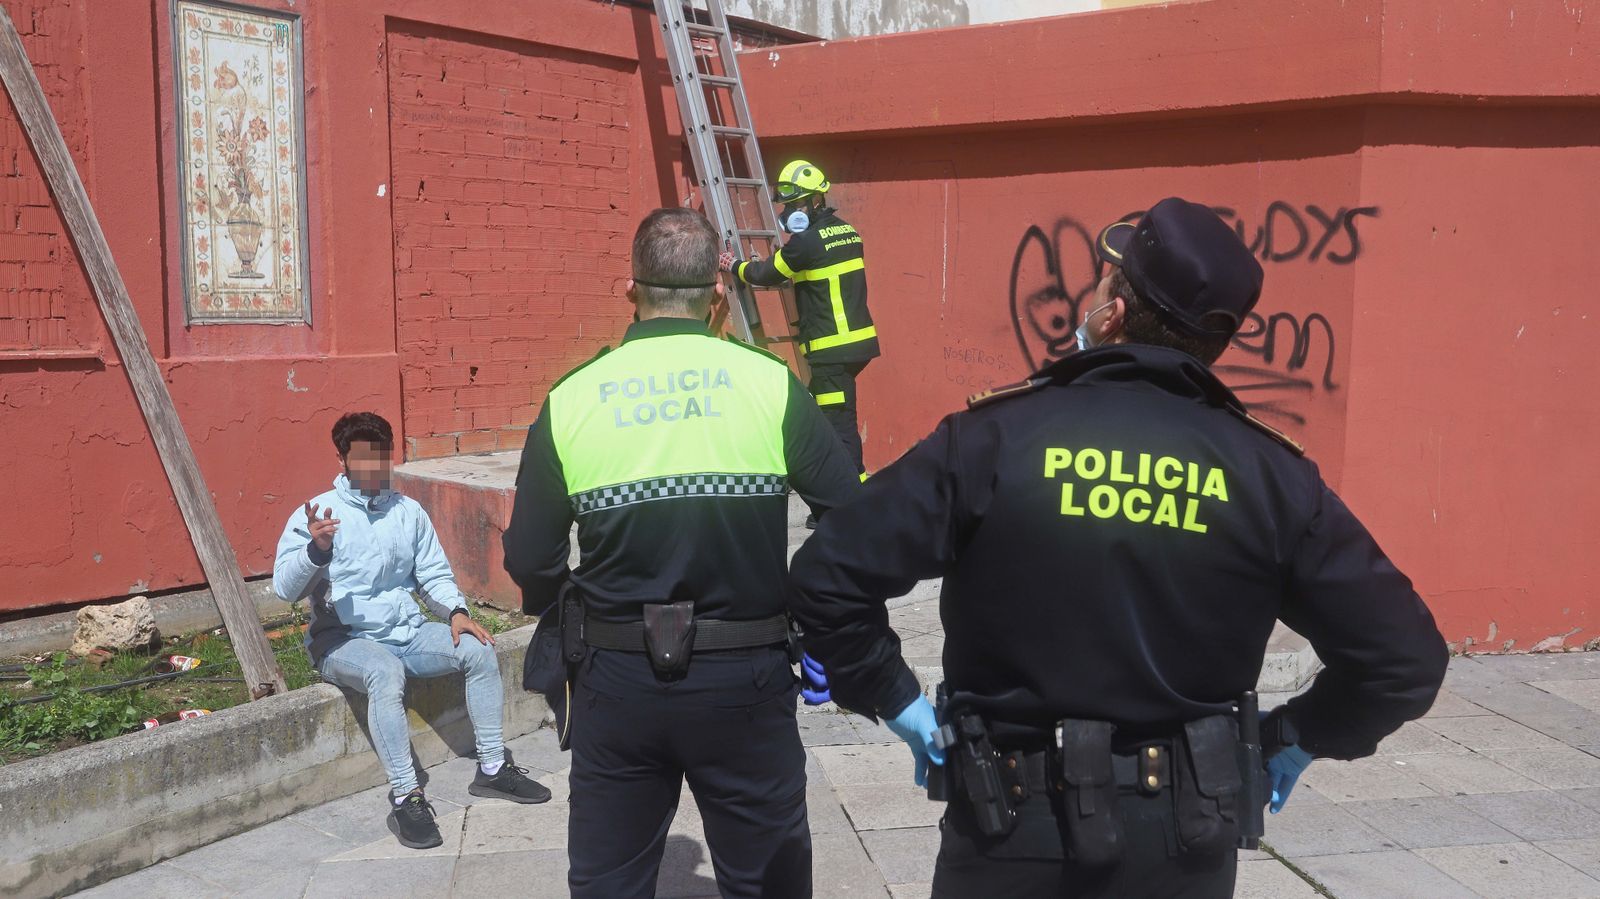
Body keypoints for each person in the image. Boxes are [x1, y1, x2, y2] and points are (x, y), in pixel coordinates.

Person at [787, 197, 1449, 897]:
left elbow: (827, 576)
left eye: (1104, 279)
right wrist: (1296, 734)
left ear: (1113, 312)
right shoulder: (1272, 476)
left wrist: (899, 701)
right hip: (1183, 836)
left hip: (1008, 823)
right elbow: (1404, 658)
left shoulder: (993, 439)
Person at [503, 207, 860, 898]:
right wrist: (815, 615)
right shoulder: (768, 383)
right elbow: (851, 518)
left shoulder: (573, 399)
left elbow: (528, 557)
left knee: (609, 882)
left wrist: (572, 612)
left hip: (617, 678)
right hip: (748, 678)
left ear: (629, 291)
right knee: (769, 881)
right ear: (717, 294)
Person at [273, 412, 550, 851]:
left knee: (478, 650)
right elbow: (285, 589)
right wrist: (316, 549)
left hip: (408, 632)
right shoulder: (319, 514)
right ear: (342, 458)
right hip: (343, 641)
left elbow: (433, 573)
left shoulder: (408, 511)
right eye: (360, 458)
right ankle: (407, 795)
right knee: (384, 673)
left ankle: (494, 770)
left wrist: (456, 611)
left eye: (379, 457)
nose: (371, 467)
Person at [719, 160, 879, 492]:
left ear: (816, 200)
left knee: (837, 425)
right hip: (856, 344)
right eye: (788, 205)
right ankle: (855, 494)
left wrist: (733, 265)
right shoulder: (847, 231)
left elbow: (764, 275)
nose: (791, 211)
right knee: (838, 418)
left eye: (796, 203)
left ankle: (852, 498)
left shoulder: (805, 243)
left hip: (830, 350)